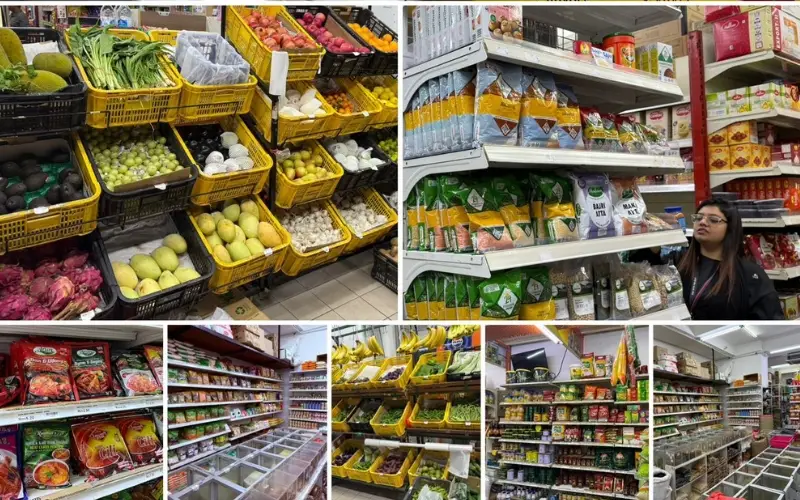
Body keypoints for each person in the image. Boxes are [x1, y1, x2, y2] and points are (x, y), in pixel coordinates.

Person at [632, 198, 783, 320]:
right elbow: (637, 271)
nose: (703, 222)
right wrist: (654, 241)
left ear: (730, 228)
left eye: (713, 219)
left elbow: (772, 319)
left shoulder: (750, 275)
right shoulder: (678, 263)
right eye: (698, 217)